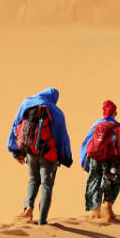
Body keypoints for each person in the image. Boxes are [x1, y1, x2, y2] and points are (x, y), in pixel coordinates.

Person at [6, 87, 72, 225]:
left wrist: (16, 151)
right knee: (46, 186)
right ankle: (42, 221)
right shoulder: (56, 111)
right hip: (48, 155)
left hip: (29, 151)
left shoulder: (26, 103)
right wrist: (65, 157)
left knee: (33, 180)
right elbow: (62, 137)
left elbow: (15, 126)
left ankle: (28, 208)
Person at [80, 100, 120, 222]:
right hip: (111, 161)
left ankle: (95, 211)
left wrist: (85, 160)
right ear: (114, 113)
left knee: (94, 182)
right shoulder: (118, 127)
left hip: (94, 159)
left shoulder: (96, 124)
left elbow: (86, 143)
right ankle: (108, 203)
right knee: (114, 182)